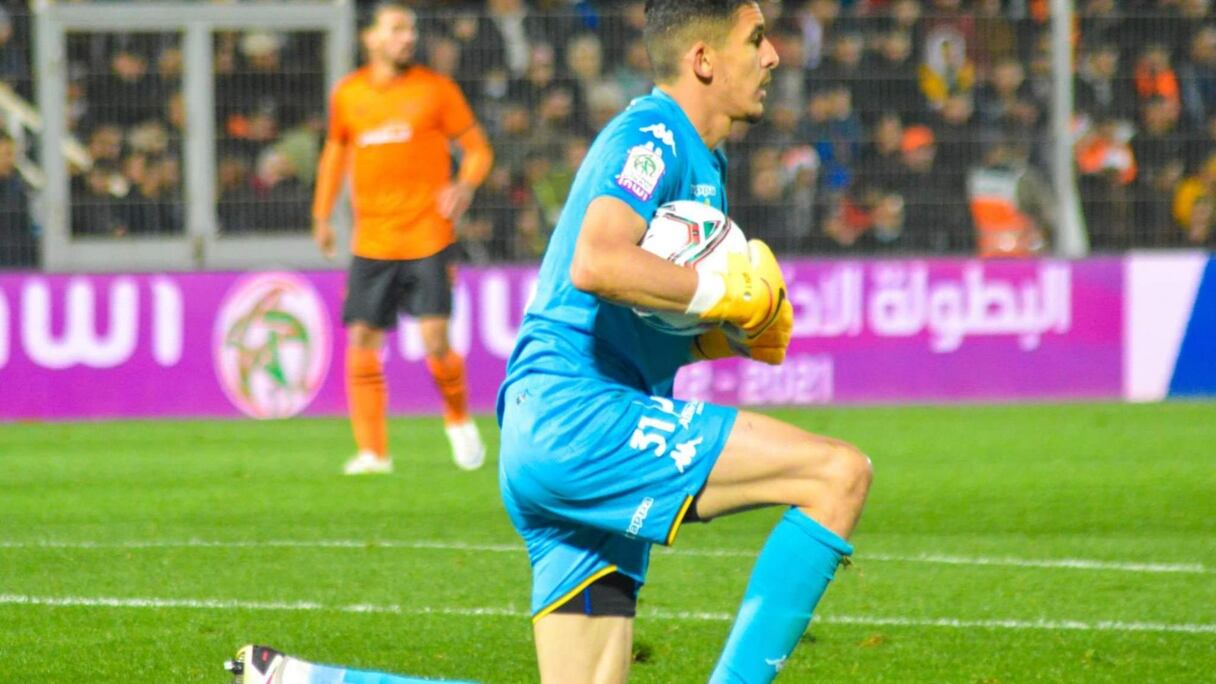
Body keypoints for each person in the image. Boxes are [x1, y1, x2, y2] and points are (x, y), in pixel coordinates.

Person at [498, 1, 870, 682]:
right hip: (581, 414)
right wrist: (722, 295)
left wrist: (736, 337)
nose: (773, 56)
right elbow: (597, 262)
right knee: (836, 475)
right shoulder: (653, 136)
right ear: (703, 59)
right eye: (755, 40)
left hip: (554, 426)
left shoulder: (704, 163)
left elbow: (647, 334)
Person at [311, 1, 494, 475]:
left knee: (435, 340)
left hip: (427, 236)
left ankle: (457, 419)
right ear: (370, 38)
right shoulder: (348, 94)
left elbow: (478, 150)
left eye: (410, 29)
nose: (407, 37)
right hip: (372, 241)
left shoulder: (436, 90)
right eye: (396, 29)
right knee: (362, 338)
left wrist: (465, 185)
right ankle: (373, 453)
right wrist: (322, 214)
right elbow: (335, 153)